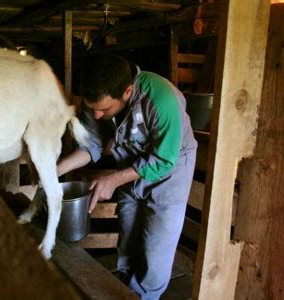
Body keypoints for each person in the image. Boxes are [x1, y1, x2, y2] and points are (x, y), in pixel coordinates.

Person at [57, 54, 197, 299]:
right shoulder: (98, 100)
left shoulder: (160, 100)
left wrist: (113, 179)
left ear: (128, 91)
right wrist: (54, 170)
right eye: (92, 109)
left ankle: (146, 295)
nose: (97, 116)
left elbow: (164, 160)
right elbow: (92, 144)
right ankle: (123, 290)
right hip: (130, 166)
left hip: (170, 172)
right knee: (128, 236)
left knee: (156, 251)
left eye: (105, 109)